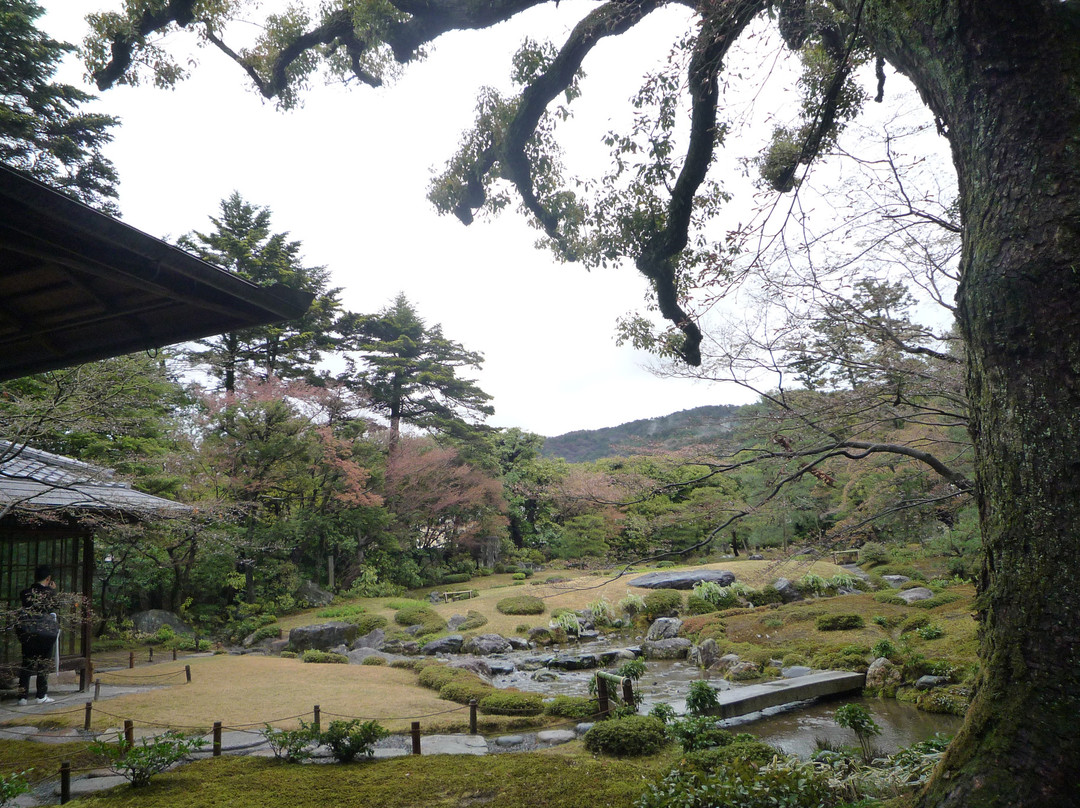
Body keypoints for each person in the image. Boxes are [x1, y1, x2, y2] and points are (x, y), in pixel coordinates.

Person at [16, 564, 59, 706]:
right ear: (48, 578)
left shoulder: (25, 593)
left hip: (28, 631)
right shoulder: (49, 593)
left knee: (27, 664)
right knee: (43, 663)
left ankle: (22, 697)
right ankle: (41, 695)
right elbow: (54, 608)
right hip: (45, 632)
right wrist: (52, 591)